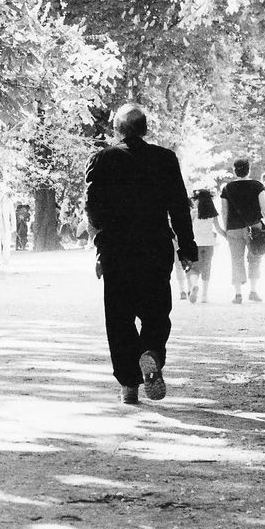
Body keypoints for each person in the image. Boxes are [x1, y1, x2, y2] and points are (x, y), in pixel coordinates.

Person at [84, 104, 197, 405]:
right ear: (145, 129)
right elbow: (178, 207)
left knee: (119, 319)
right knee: (157, 313)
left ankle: (128, 386)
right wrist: (187, 248)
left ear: (116, 130)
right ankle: (151, 352)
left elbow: (94, 211)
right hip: (155, 248)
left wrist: (100, 249)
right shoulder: (165, 159)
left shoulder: (102, 159)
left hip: (117, 250)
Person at [220, 159, 265, 304]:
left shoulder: (227, 188)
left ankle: (238, 294)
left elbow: (224, 211)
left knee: (236, 259)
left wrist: (226, 229)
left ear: (235, 171)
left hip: (233, 229)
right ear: (249, 170)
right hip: (255, 227)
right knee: (255, 257)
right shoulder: (257, 186)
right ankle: (253, 291)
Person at [187, 189, 225, 304]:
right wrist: (227, 236)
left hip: (195, 243)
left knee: (193, 268)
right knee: (206, 268)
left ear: (198, 200)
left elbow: (187, 229)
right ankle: (204, 296)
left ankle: (194, 285)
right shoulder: (212, 214)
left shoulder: (194, 212)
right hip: (209, 244)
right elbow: (218, 229)